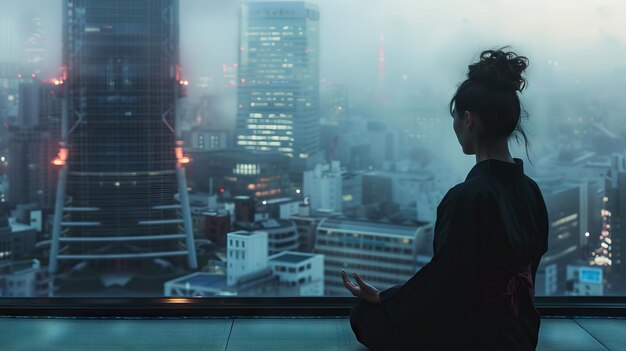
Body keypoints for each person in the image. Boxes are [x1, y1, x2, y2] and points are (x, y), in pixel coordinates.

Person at [342, 48, 549, 350]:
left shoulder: (467, 198)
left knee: (365, 315)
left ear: (468, 120)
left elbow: (446, 284)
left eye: (455, 119)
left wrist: (384, 300)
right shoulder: (531, 192)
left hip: (476, 337)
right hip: (522, 332)